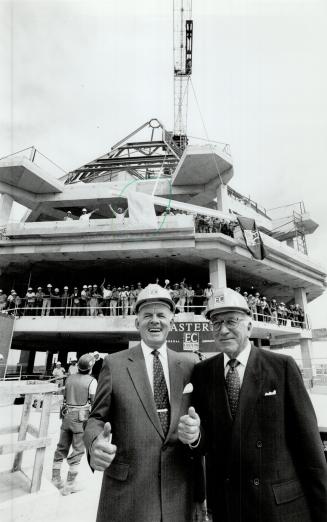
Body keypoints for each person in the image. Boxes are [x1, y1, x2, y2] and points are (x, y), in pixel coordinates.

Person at [178, 287, 327, 522]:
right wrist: (195, 436)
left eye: (231, 321)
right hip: (228, 506)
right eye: (216, 323)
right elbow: (204, 443)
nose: (223, 329)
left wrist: (322, 511)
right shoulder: (203, 373)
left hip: (278, 507)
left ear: (249, 326)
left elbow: (309, 446)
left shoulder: (282, 367)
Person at [83, 284, 203, 522]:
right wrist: (95, 443)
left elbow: (202, 424)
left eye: (161, 315)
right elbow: (96, 419)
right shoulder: (114, 364)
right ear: (137, 323)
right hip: (127, 497)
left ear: (172, 322)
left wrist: (197, 434)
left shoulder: (190, 366)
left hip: (178, 496)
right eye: (147, 315)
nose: (154, 321)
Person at [52, 353, 97, 495]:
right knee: (78, 450)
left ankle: (55, 479)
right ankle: (70, 485)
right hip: (81, 418)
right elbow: (94, 402)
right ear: (91, 367)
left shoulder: (69, 378)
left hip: (67, 416)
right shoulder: (92, 381)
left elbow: (65, 397)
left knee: (61, 447)